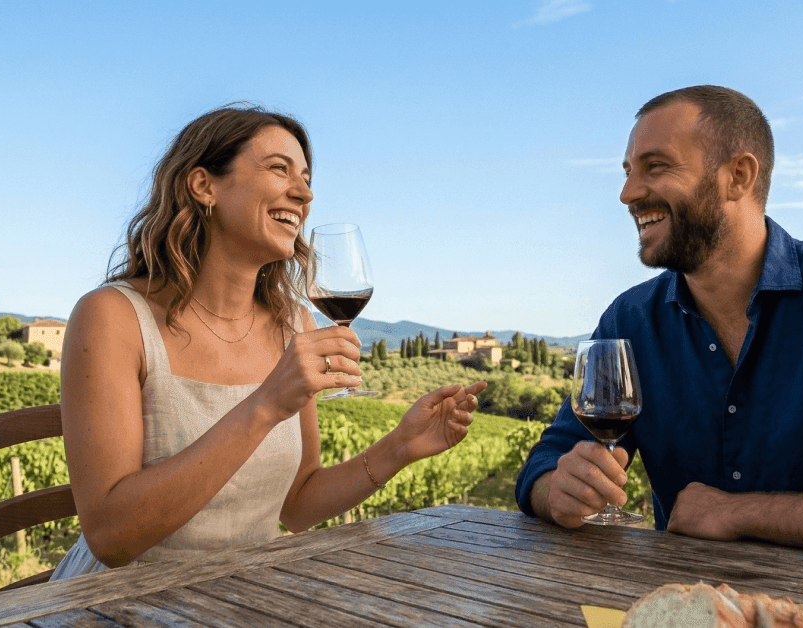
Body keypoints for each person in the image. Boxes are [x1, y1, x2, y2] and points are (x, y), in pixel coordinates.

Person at [514, 85, 803, 568]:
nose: (628, 193)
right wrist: (555, 489)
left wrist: (740, 513)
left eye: (655, 167)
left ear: (738, 176)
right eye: (628, 172)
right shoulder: (629, 321)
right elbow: (547, 461)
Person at [51, 104, 487, 577]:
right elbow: (112, 539)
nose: (304, 193)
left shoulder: (292, 324)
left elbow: (296, 507)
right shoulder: (112, 317)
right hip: (121, 599)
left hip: (247, 592)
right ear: (204, 186)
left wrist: (399, 446)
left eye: (305, 177)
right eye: (280, 169)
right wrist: (267, 405)